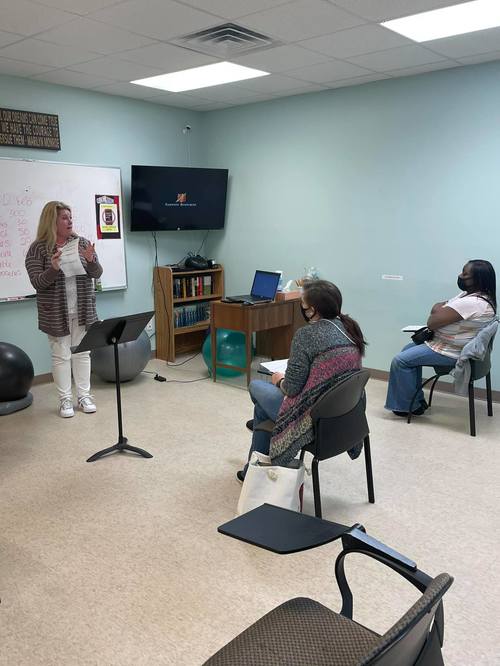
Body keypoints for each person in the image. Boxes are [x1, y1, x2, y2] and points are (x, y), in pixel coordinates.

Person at [238, 280, 367, 480]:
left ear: (312, 309)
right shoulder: (349, 328)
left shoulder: (306, 335)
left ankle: (253, 472)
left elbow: (291, 388)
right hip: (343, 414)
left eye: (303, 304)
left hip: (312, 418)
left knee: (256, 386)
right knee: (263, 413)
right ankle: (254, 461)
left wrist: (279, 380)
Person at [385, 259, 497, 416]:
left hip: (452, 352)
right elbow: (438, 308)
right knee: (406, 350)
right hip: (446, 345)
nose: (460, 275)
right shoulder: (474, 296)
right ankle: (415, 400)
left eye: (465, 274)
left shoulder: (473, 303)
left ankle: (407, 407)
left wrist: (440, 310)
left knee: (400, 361)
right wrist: (440, 309)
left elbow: (432, 321)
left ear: (477, 279)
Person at [25, 201, 103, 418]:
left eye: (71, 217)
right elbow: (37, 283)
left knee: (82, 353)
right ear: (52, 221)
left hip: (83, 309)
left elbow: (97, 273)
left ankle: (84, 396)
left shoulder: (82, 243)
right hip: (55, 312)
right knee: (61, 356)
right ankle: (65, 400)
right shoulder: (38, 248)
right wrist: (53, 268)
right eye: (64, 218)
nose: (70, 221)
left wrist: (91, 260)